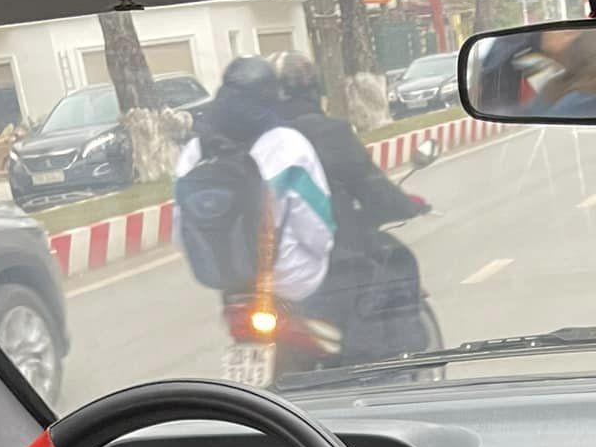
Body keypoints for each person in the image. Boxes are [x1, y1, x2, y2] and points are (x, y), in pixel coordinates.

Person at [274, 51, 434, 362]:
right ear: (313, 88)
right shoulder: (330, 133)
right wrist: (403, 206)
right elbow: (372, 188)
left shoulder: (258, 140)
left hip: (264, 261)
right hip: (331, 250)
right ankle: (383, 363)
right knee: (397, 262)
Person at [174, 57, 335, 317]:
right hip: (291, 279)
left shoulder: (195, 151)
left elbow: (179, 229)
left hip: (228, 282)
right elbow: (318, 230)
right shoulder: (288, 144)